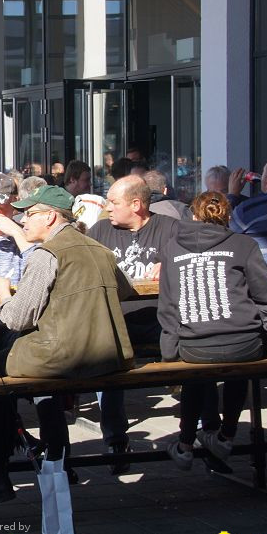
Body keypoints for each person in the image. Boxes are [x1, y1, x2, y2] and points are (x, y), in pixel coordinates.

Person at [0, 186, 134, 506]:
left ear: (51, 217)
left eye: (30, 214)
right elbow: (125, 290)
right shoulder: (99, 248)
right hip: (109, 354)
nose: (23, 220)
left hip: (64, 355)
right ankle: (58, 461)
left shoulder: (47, 254)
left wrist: (2, 293)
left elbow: (16, 319)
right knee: (41, 386)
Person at [158, 192, 267, 470]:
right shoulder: (244, 244)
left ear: (193, 214)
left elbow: (167, 306)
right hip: (245, 342)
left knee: (194, 376)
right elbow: (266, 295)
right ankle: (226, 436)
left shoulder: (172, 247)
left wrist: (169, 354)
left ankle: (186, 443)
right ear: (227, 215)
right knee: (239, 366)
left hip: (194, 344)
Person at [86, 174, 179, 472]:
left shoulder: (171, 229)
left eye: (113, 202)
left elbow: (197, 258)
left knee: (192, 352)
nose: (107, 207)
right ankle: (115, 440)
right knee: (107, 354)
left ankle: (201, 429)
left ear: (136, 204)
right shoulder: (100, 231)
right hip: (117, 319)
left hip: (161, 318)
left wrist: (174, 262)